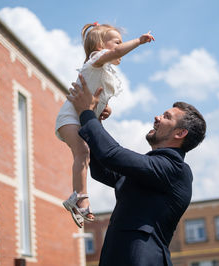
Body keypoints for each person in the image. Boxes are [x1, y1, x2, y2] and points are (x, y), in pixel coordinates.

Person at [67, 75, 206, 266]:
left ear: (180, 133)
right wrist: (95, 120)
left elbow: (112, 155)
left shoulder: (176, 169)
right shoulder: (151, 170)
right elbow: (104, 169)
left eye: (166, 117)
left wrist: (87, 113)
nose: (157, 117)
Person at [55, 22, 154, 227]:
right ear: (100, 46)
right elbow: (117, 51)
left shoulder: (105, 73)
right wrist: (138, 41)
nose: (120, 46)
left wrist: (105, 110)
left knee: (86, 155)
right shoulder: (96, 60)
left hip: (82, 119)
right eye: (117, 41)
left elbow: (100, 100)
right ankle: (80, 199)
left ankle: (79, 199)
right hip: (69, 119)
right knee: (82, 152)